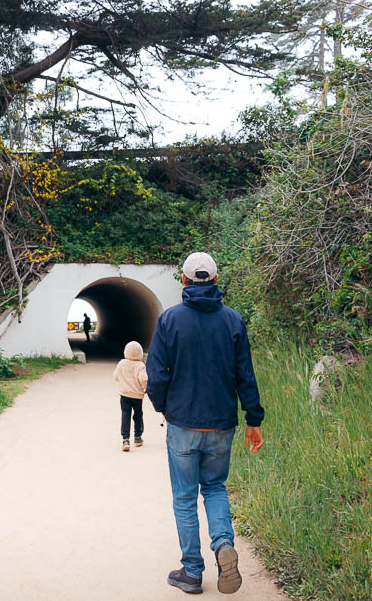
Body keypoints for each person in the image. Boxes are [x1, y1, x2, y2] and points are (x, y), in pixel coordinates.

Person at [146, 252, 265, 595]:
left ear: (184, 281)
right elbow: (245, 375)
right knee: (214, 487)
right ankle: (223, 545)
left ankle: (192, 571)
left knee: (184, 497)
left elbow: (156, 375)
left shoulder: (169, 321)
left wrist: (163, 407)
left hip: (183, 423)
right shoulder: (233, 321)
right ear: (216, 279)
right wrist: (253, 419)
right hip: (221, 424)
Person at [114, 340, 148, 452]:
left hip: (124, 395)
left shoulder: (122, 363)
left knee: (125, 415)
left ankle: (125, 440)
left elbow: (116, 376)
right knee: (138, 416)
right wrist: (144, 388)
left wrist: (122, 381)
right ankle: (137, 438)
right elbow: (143, 379)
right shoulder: (140, 365)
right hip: (137, 396)